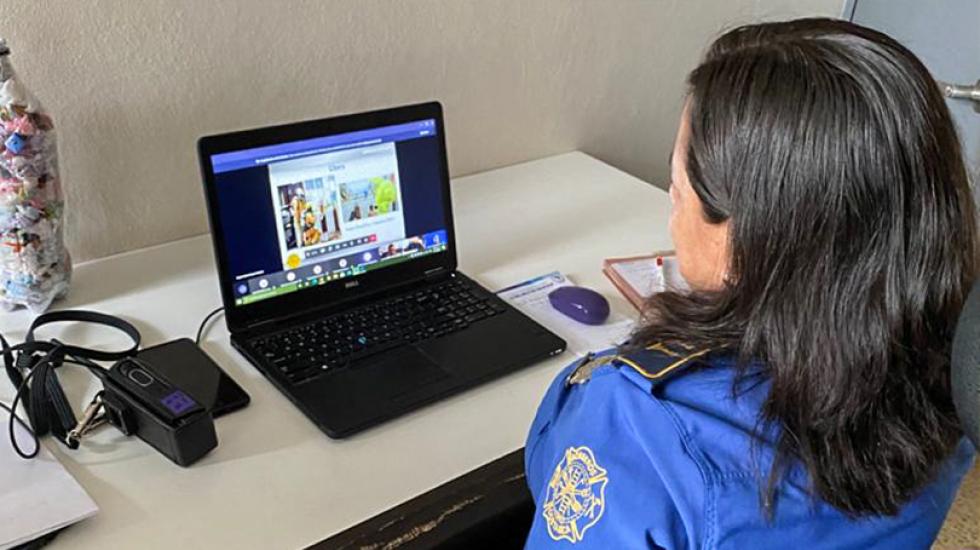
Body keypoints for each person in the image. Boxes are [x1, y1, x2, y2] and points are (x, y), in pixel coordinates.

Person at [524, 18, 978, 550]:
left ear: (750, 238)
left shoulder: (640, 423)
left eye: (676, 191)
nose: (672, 219)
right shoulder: (954, 364)